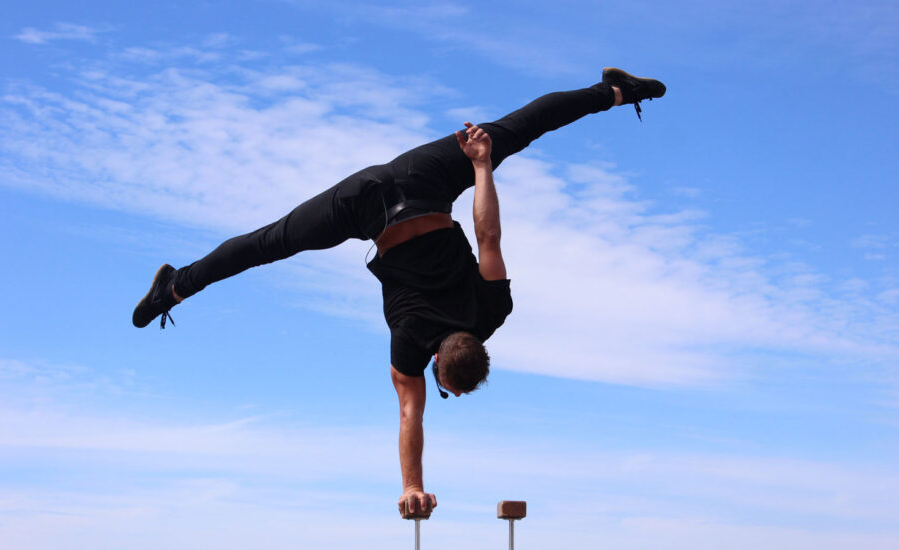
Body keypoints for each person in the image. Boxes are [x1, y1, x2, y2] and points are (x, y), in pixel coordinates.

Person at [132, 67, 665, 517]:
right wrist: (410, 486)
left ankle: (616, 91)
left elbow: (489, 236)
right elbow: (411, 414)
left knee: (521, 128)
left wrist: (481, 163)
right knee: (269, 243)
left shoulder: (493, 311)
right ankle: (172, 290)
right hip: (364, 206)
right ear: (440, 365)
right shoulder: (411, 344)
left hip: (425, 180)